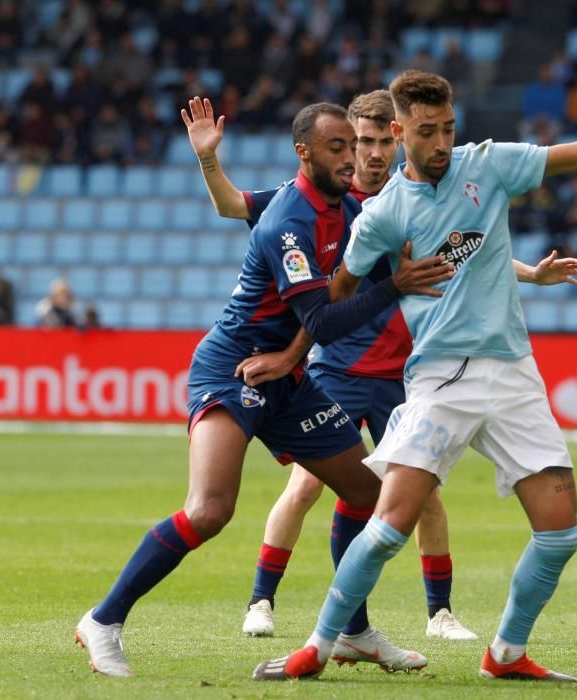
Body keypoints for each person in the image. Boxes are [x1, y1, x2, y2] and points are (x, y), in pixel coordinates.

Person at [255, 53, 577, 683]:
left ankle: (505, 655)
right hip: (440, 378)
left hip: (513, 372)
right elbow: (336, 295)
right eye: (427, 131)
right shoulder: (382, 215)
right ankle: (318, 647)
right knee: (388, 527)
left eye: (448, 128)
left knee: (561, 533)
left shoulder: (487, 165)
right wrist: (303, 347)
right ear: (400, 132)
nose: (441, 143)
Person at [75, 101, 454, 678]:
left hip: (287, 378)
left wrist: (413, 273)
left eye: (353, 146)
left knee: (366, 494)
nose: (352, 158)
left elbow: (375, 278)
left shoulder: (349, 207)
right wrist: (396, 285)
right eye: (338, 148)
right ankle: (103, 620)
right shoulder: (288, 222)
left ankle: (352, 632)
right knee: (209, 510)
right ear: (304, 152)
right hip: (233, 370)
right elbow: (325, 321)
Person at [187, 89, 478, 642]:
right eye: (356, 142)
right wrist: (207, 158)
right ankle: (262, 601)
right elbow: (230, 206)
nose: (366, 154)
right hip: (337, 369)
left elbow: (456, 254)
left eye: (374, 142)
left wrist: (529, 274)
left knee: (425, 496)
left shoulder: (401, 203)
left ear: (395, 142)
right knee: (304, 488)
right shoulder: (300, 201)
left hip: (398, 375)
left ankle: (437, 614)